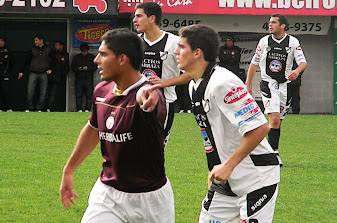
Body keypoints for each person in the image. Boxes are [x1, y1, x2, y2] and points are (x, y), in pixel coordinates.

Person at [60, 29, 174, 223]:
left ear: (122, 59)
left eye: (103, 54)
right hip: (108, 194)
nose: (96, 60)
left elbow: (151, 100)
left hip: (150, 200)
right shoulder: (101, 91)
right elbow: (93, 129)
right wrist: (69, 169)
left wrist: (147, 95)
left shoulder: (150, 95)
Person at [174, 24, 280, 223]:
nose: (175, 51)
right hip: (225, 182)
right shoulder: (193, 86)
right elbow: (209, 133)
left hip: (256, 179)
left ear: (197, 53)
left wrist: (228, 166)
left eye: (181, 46)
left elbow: (260, 128)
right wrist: (216, 166)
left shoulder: (222, 83)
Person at [245, 14, 307, 165]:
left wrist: (296, 71)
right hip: (269, 84)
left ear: (283, 26)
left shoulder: (292, 42)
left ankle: (263, 150)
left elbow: (303, 62)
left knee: (277, 122)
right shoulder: (264, 41)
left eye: (273, 22)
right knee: (273, 120)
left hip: (285, 86)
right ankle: (274, 155)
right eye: (269, 22)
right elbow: (254, 63)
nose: (270, 25)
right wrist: (248, 83)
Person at [133, 2, 192, 146]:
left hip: (164, 103)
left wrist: (165, 82)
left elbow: (191, 73)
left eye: (139, 16)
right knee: (134, 148)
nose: (135, 20)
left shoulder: (174, 42)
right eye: (135, 16)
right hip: (136, 102)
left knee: (156, 148)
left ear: (152, 18)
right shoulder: (135, 42)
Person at [19, 34, 52, 112]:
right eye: (34, 40)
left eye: (36, 40)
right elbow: (26, 60)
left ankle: (39, 108)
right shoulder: (33, 49)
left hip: (44, 73)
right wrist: (21, 70)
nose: (35, 42)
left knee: (43, 92)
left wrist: (51, 69)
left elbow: (53, 60)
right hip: (33, 72)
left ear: (41, 40)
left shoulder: (49, 49)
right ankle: (29, 107)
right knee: (30, 91)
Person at [71, 43, 96, 112]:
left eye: (85, 51)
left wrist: (88, 68)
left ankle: (88, 108)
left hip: (88, 78)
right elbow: (72, 67)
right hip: (79, 78)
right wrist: (78, 69)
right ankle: (79, 108)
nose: (84, 53)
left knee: (89, 95)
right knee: (79, 94)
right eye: (83, 51)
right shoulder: (76, 57)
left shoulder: (91, 57)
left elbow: (95, 67)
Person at [46, 40, 69, 112]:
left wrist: (64, 73)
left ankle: (60, 108)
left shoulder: (66, 55)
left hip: (61, 77)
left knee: (60, 93)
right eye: (55, 45)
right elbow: (50, 64)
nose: (56, 47)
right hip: (52, 77)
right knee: (51, 93)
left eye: (57, 45)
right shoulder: (52, 54)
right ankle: (49, 108)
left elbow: (66, 66)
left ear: (61, 46)